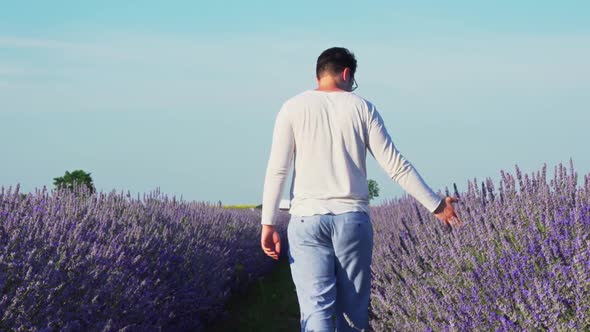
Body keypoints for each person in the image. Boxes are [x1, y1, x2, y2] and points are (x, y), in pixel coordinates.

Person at [260, 47, 461, 332]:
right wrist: (437, 205)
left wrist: (267, 223)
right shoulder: (362, 108)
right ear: (346, 74)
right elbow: (395, 165)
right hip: (351, 219)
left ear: (319, 74)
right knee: (352, 314)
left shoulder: (292, 107)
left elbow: (277, 170)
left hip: (306, 219)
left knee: (316, 309)